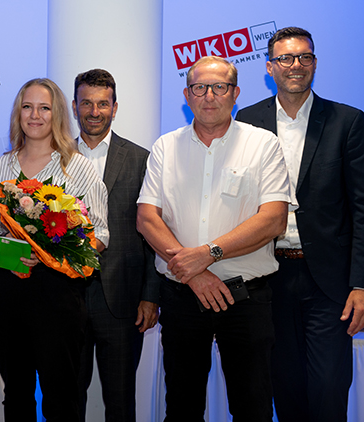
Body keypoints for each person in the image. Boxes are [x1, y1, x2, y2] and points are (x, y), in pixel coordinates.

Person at [136, 56, 292, 421]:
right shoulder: (165, 147)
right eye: (199, 88)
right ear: (186, 95)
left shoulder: (263, 144)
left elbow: (273, 219)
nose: (209, 96)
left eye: (219, 87)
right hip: (182, 297)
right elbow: (146, 219)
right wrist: (193, 273)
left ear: (235, 94)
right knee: (182, 407)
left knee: (252, 407)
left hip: (246, 299)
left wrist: (208, 254)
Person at [235, 26, 364, 421]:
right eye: (286, 58)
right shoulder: (248, 120)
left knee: (327, 390)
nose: (296, 65)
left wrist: (361, 284)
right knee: (285, 388)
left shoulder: (348, 121)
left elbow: (362, 208)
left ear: (315, 63)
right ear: (270, 67)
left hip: (329, 281)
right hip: (268, 276)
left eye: (305, 57)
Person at [0, 78, 109, 422]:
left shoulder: (78, 167)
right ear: (18, 113)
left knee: (61, 396)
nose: (34, 115)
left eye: (44, 108)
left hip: (58, 291)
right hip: (7, 287)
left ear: (58, 114)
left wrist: (52, 252)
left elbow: (99, 235)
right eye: (27, 107)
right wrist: (9, 243)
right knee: (16, 394)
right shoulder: (2, 166)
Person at [72, 69, 159, 422]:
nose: (94, 112)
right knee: (65, 400)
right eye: (86, 104)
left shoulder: (141, 159)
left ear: (115, 107)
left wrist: (151, 296)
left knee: (121, 402)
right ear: (74, 107)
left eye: (103, 104)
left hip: (123, 301)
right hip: (67, 298)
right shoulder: (53, 157)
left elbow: (153, 233)